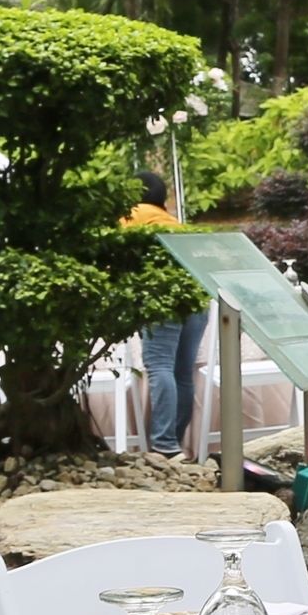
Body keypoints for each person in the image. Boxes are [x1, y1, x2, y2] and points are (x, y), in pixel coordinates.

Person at [136, 177, 207, 455]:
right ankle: (174, 442)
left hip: (163, 297)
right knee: (182, 372)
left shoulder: (131, 216)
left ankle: (164, 444)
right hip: (196, 298)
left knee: (160, 366)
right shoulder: (171, 220)